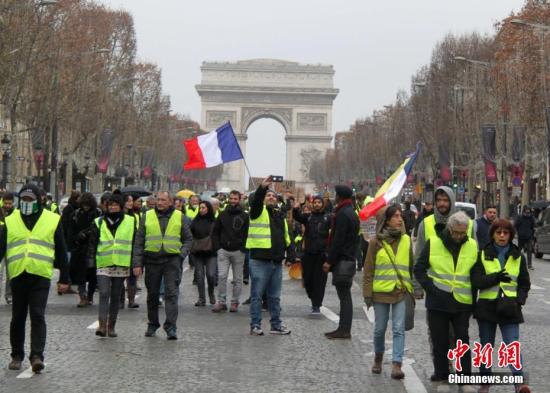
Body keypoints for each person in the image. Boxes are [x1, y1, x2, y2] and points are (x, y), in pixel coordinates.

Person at [0, 184, 69, 372]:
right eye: (23, 200)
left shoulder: (52, 219)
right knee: (18, 317)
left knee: (37, 315)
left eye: (30, 200)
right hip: (18, 274)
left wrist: (64, 278)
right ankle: (16, 355)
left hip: (40, 274)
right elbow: (1, 246)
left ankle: (37, 356)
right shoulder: (11, 219)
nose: (26, 203)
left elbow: (61, 250)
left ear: (38, 200)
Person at [414, 211, 478, 388]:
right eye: (456, 232)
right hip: (438, 301)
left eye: (462, 233)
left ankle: (464, 379)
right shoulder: (434, 243)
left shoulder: (472, 245)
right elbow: (419, 268)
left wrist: (475, 302)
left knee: (462, 341)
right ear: (449, 229)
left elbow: (475, 274)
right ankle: (442, 376)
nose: (459, 236)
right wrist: (430, 288)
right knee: (439, 341)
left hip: (462, 302)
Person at [472, 219, 531, 393]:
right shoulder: (483, 254)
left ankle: (519, 384)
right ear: (493, 235)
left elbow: (524, 284)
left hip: (510, 308)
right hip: (487, 307)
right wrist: (496, 277)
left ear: (511, 235)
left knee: (512, 344)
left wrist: (519, 300)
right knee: (486, 346)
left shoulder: (517, 256)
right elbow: (476, 281)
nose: (502, 236)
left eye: (506, 233)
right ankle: (485, 383)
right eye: (499, 232)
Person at [133, 191, 192, 340]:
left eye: (163, 200)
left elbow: (188, 239)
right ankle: (152, 324)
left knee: (171, 294)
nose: (160, 202)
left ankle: (171, 327)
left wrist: (181, 255)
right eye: (158, 200)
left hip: (172, 260)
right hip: (152, 260)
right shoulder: (147, 216)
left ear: (171, 202)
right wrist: (137, 263)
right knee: (152, 295)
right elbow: (139, 242)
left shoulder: (180, 217)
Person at [364, 205, 413, 379]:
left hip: (400, 291)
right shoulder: (375, 242)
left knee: (399, 329)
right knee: (379, 329)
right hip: (380, 293)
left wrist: (414, 288)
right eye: (396, 216)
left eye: (401, 216)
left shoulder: (406, 240)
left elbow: (410, 266)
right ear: (387, 220)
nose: (400, 219)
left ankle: (396, 364)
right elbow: (368, 270)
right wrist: (367, 294)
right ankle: (378, 357)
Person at [247, 176, 294, 336]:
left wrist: (290, 255)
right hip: (260, 260)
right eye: (269, 195)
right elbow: (257, 201)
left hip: (276, 260)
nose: (271, 197)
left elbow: (286, 237)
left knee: (275, 297)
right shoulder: (257, 212)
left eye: (274, 196)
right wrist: (262, 188)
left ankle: (276, 325)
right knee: (257, 296)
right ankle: (255, 325)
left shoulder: (279, 215)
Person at [86, 192, 136, 337]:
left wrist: (136, 262)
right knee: (104, 293)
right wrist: (90, 260)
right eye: (110, 205)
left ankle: (111, 326)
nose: (113, 207)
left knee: (115, 296)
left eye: (115, 205)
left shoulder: (130, 221)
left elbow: (134, 242)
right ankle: (101, 326)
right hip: (103, 262)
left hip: (122, 263)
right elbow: (92, 243)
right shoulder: (98, 222)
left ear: (120, 206)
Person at [323, 185, 359, 339]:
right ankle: (343, 328)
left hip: (342, 260)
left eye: (336, 194)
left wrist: (329, 261)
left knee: (344, 296)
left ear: (340, 196)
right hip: (349, 258)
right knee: (345, 296)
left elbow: (338, 240)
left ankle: (344, 330)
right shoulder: (351, 212)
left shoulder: (343, 214)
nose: (334, 197)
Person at [211, 190, 249, 313]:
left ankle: (234, 302)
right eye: (231, 198)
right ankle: (221, 301)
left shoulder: (245, 215)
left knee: (238, 279)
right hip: (223, 250)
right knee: (222, 276)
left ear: (239, 200)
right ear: (228, 199)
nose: (233, 201)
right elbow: (215, 232)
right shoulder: (222, 214)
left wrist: (243, 247)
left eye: (235, 199)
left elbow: (247, 233)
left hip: (238, 251)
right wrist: (218, 247)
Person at [293, 195, 330, 314]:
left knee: (319, 281)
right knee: (308, 279)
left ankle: (316, 304)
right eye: (315, 202)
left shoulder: (328, 218)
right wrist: (295, 208)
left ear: (323, 204)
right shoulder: (308, 217)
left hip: (321, 254)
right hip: (308, 253)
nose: (317, 204)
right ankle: (312, 296)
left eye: (319, 202)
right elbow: (297, 217)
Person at [69, 192, 102, 307]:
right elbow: (71, 231)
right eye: (84, 205)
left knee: (93, 275)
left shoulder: (98, 214)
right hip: (80, 249)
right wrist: (77, 238)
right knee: (81, 275)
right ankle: (82, 296)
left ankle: (90, 296)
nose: (86, 207)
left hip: (94, 248)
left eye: (88, 205)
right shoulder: (76, 214)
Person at [190, 200, 217, 307]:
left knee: (210, 275)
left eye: (203, 208)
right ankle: (201, 298)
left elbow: (218, 235)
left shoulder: (214, 221)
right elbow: (189, 235)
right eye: (200, 208)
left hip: (211, 252)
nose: (201, 210)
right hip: (198, 253)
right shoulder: (195, 221)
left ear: (208, 208)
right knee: (200, 276)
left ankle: (211, 292)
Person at [1, 192, 16, 304]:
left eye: (9, 203)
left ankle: (9, 294)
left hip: (10, 245)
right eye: (5, 203)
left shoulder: (16, 214)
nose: (7, 205)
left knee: (10, 272)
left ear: (13, 203)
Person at [514, 206, 536, 270]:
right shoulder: (520, 217)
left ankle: (529, 265)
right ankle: (515, 262)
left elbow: (533, 226)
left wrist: (532, 233)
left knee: (529, 250)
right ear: (524, 211)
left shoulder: (531, 218)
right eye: (526, 210)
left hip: (529, 237)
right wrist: (517, 233)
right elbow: (515, 225)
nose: (527, 212)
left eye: (528, 210)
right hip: (521, 237)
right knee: (519, 250)